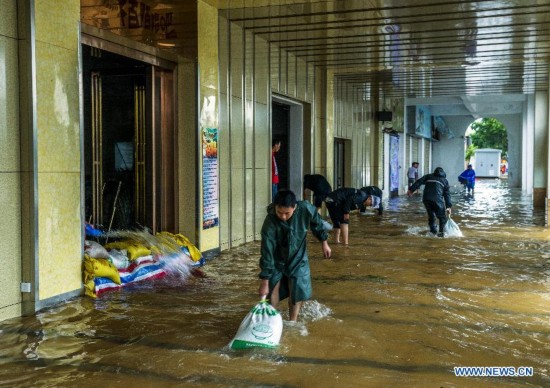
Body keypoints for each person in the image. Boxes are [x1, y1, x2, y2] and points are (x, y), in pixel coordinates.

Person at [258, 190, 331, 322]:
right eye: (280, 212)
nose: (283, 217)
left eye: (287, 213)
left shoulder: (306, 209)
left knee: (297, 288)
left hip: (298, 256)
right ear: (275, 207)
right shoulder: (270, 221)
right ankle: (271, 320)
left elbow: (317, 224)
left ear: (295, 207)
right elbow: (267, 250)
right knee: (273, 286)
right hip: (276, 258)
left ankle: (293, 321)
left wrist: (324, 242)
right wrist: (265, 280)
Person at [407, 167, 452, 237]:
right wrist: (448, 206)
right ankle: (441, 233)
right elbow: (447, 194)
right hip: (437, 200)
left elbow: (419, 182)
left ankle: (433, 231)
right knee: (442, 217)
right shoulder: (445, 181)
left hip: (426, 199)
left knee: (431, 215)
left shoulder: (428, 176)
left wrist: (411, 190)